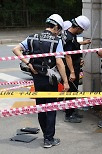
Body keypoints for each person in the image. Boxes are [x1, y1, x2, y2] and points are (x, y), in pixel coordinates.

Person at [12, 14, 69, 148]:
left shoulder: (32, 37)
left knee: (41, 108)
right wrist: (65, 81)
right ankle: (49, 139)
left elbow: (16, 49)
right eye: (59, 29)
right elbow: (60, 62)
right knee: (51, 108)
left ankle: (46, 135)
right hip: (51, 79)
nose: (58, 32)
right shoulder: (57, 41)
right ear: (55, 27)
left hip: (37, 78)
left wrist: (28, 63)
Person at [63, 15, 91, 123]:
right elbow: (68, 55)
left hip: (75, 65)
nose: (82, 32)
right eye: (82, 30)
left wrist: (83, 44)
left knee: (73, 90)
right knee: (72, 90)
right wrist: (73, 72)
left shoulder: (70, 34)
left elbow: (74, 46)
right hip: (71, 68)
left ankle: (72, 111)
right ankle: (69, 114)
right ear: (78, 27)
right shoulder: (69, 37)